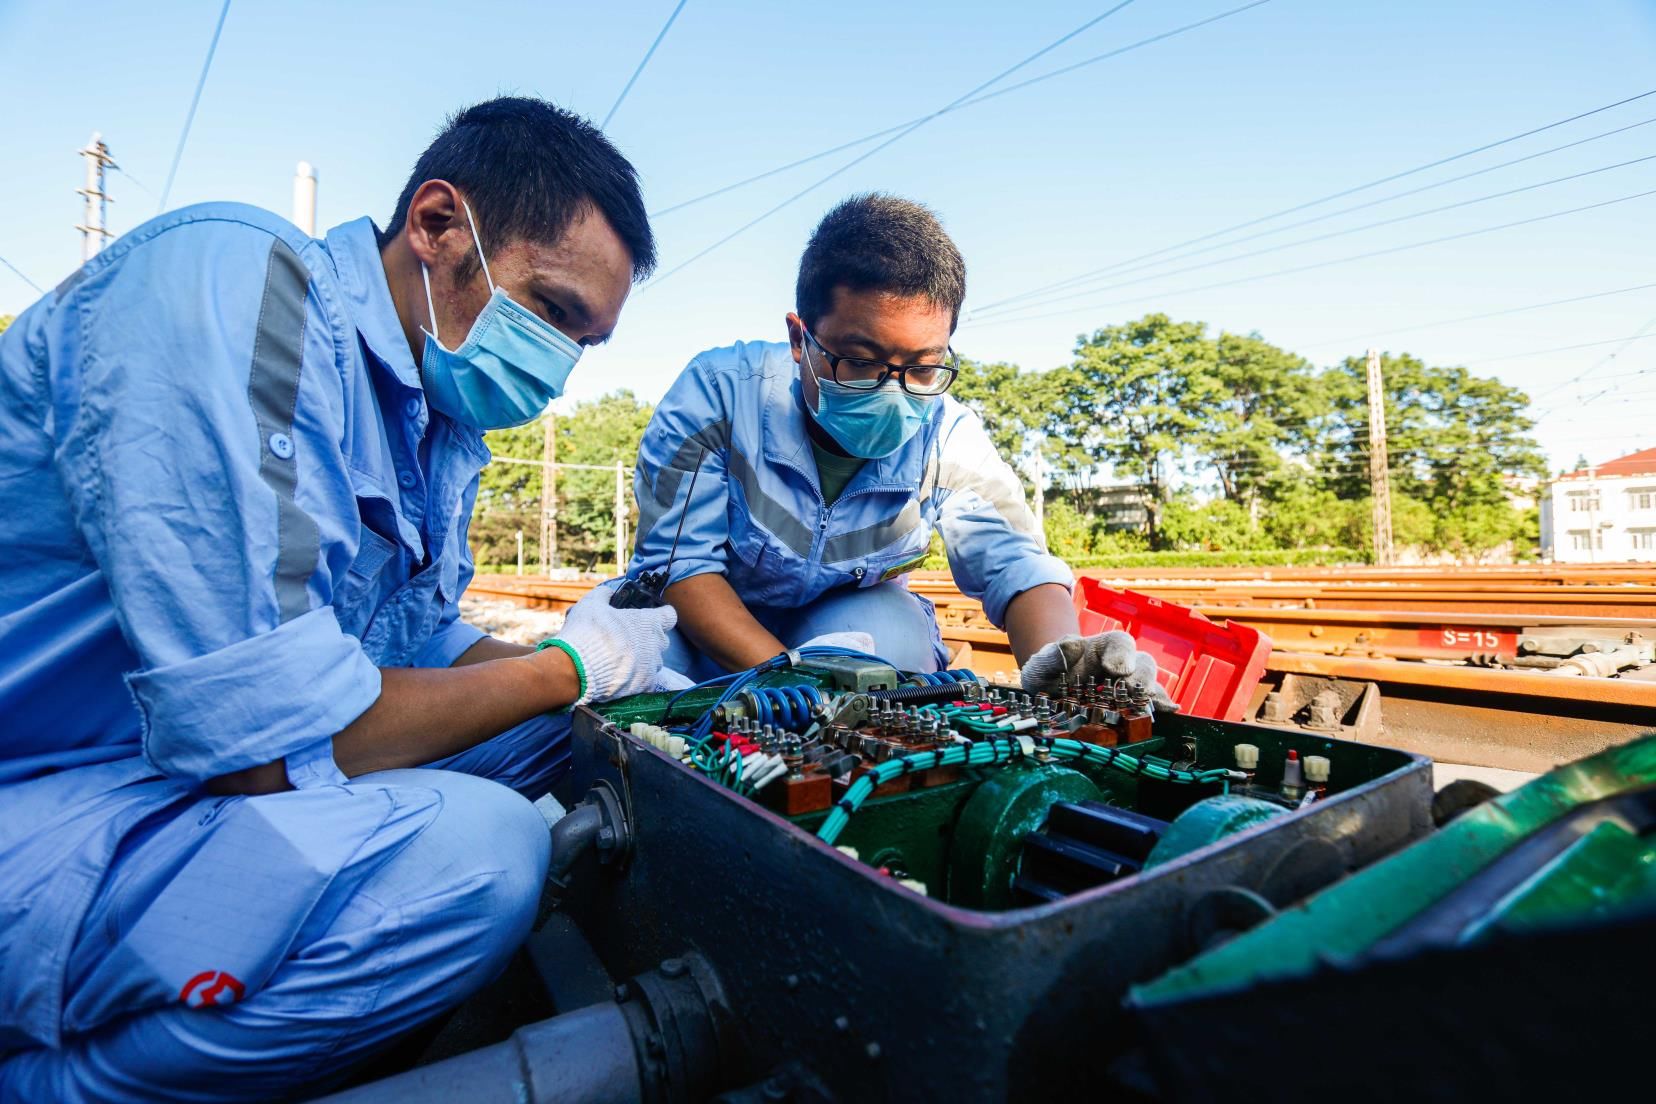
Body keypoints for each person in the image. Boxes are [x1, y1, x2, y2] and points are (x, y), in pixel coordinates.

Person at [0, 97, 677, 1102]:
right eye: (552, 310)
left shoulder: (437, 425)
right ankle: (64, 1087)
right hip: (56, 784)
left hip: (166, 768)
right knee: (484, 857)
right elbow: (263, 749)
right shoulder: (242, 287)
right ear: (437, 225)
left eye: (589, 341)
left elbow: (411, 645)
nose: (562, 365)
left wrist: (590, 675)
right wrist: (565, 665)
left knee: (584, 731)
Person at [628, 193, 1170, 700]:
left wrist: (1065, 663)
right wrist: (800, 691)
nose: (893, 391)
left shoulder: (947, 438)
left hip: (835, 627)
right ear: (800, 339)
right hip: (702, 629)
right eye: (860, 361)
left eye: (922, 367)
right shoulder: (718, 398)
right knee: (645, 669)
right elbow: (683, 570)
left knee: (896, 638)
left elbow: (1016, 565)